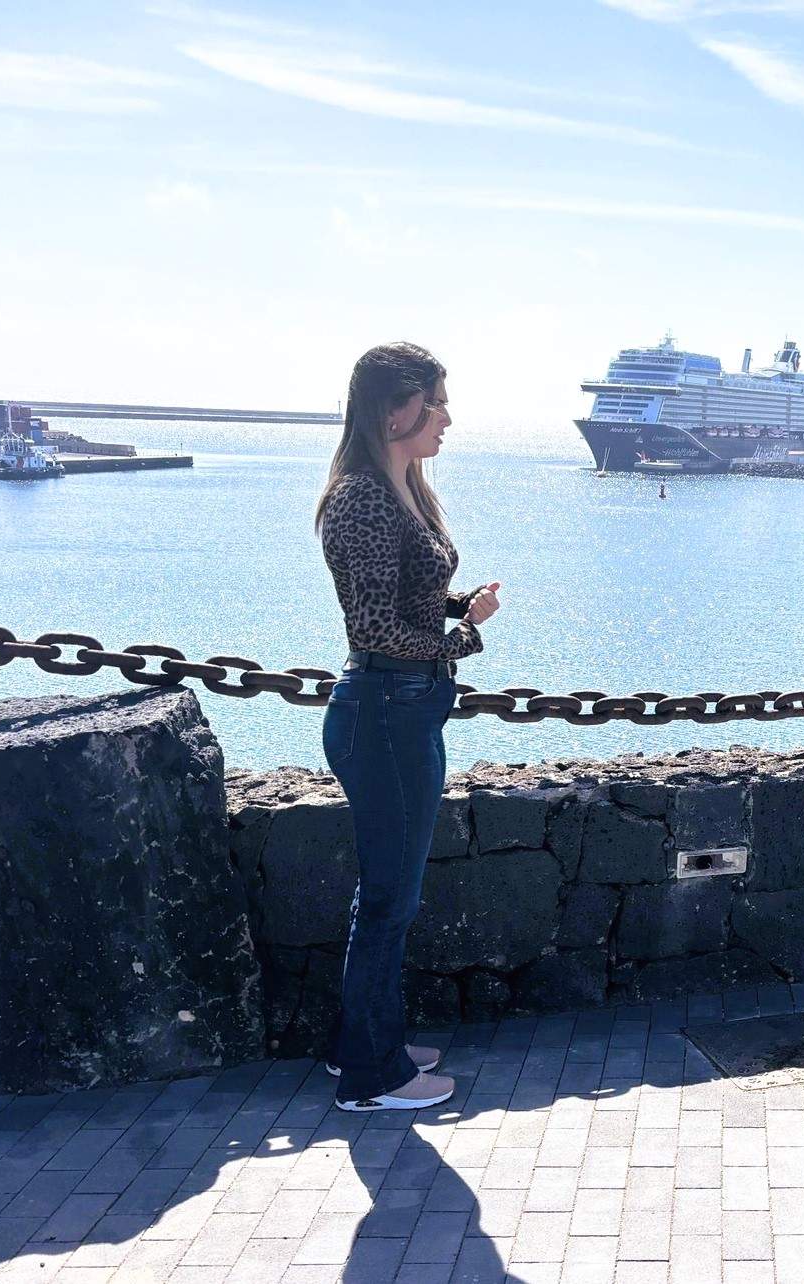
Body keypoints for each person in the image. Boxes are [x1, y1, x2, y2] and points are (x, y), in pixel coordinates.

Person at [314, 342, 500, 1112]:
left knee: (390, 896)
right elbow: (372, 626)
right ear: (394, 410)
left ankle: (365, 1043)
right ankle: (374, 1078)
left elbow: (403, 593)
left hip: (403, 711)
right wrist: (462, 641)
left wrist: (459, 605)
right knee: (390, 899)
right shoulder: (361, 497)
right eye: (436, 402)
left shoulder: (401, 487)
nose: (447, 416)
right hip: (384, 713)